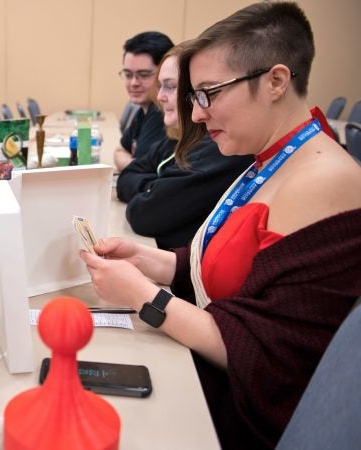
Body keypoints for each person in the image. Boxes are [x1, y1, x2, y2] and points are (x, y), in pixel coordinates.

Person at [80, 2, 361, 448]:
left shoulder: (323, 180)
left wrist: (140, 295)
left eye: (209, 93)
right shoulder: (274, 155)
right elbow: (247, 265)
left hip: (235, 416)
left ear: (276, 81)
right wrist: (154, 262)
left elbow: (268, 354)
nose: (196, 114)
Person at [116, 43, 254, 249]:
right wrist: (157, 186)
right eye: (160, 86)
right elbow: (126, 178)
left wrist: (156, 189)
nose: (160, 96)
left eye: (170, 86)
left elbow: (143, 214)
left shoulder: (219, 149)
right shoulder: (176, 136)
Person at [112, 31, 173, 172]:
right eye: (128, 74)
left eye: (144, 75)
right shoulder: (144, 108)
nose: (133, 83)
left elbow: (138, 172)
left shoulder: (162, 114)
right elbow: (119, 152)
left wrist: (130, 165)